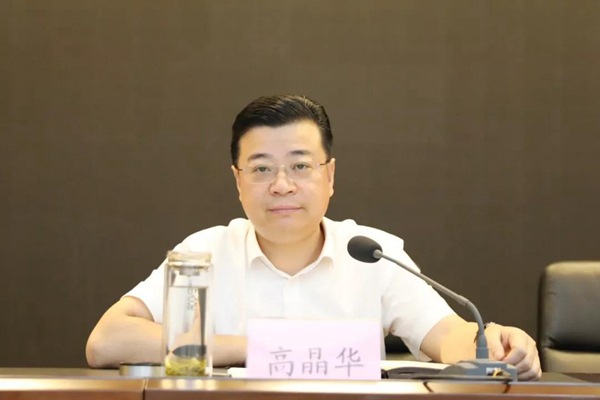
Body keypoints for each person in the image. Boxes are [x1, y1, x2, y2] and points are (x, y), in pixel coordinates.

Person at [86, 94, 541, 380]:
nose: (282, 185)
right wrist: (256, 350)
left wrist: (497, 343)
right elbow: (107, 340)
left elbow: (449, 338)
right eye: (261, 169)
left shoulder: (373, 253)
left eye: (301, 166)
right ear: (238, 181)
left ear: (330, 176)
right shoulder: (204, 251)